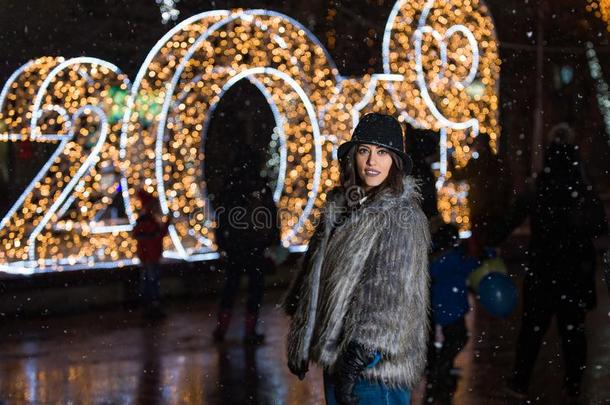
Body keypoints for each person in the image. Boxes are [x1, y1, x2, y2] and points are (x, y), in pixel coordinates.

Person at [282, 113, 430, 405]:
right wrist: (302, 338)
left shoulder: (402, 216)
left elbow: (390, 293)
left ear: (395, 161)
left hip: (375, 370)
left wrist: (357, 357)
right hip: (339, 361)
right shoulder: (340, 209)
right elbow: (314, 277)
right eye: (364, 150)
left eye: (382, 153)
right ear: (353, 156)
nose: (372, 161)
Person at [494, 132, 608, 400]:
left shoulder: (540, 189)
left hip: (544, 270)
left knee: (533, 330)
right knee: (573, 332)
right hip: (573, 272)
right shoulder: (580, 191)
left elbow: (512, 219)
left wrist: (491, 239)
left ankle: (520, 382)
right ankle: (573, 385)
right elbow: (599, 225)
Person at [211, 146, 280, 345]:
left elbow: (222, 216)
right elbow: (270, 213)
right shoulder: (259, 185)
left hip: (235, 246)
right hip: (255, 245)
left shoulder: (231, 186)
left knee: (231, 287)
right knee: (255, 289)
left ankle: (222, 329)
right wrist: (273, 239)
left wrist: (222, 242)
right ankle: (249, 331)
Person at [425, 224, 480, 404]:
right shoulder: (453, 258)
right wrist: (484, 256)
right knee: (458, 338)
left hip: (444, 307)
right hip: (453, 309)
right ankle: (442, 367)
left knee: (454, 339)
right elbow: (470, 266)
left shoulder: (437, 260)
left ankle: (442, 367)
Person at [133, 189, 169, 319]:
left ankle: (149, 307)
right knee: (152, 282)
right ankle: (152, 307)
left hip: (148, 257)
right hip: (151, 257)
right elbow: (156, 236)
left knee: (149, 281)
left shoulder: (145, 220)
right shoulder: (147, 220)